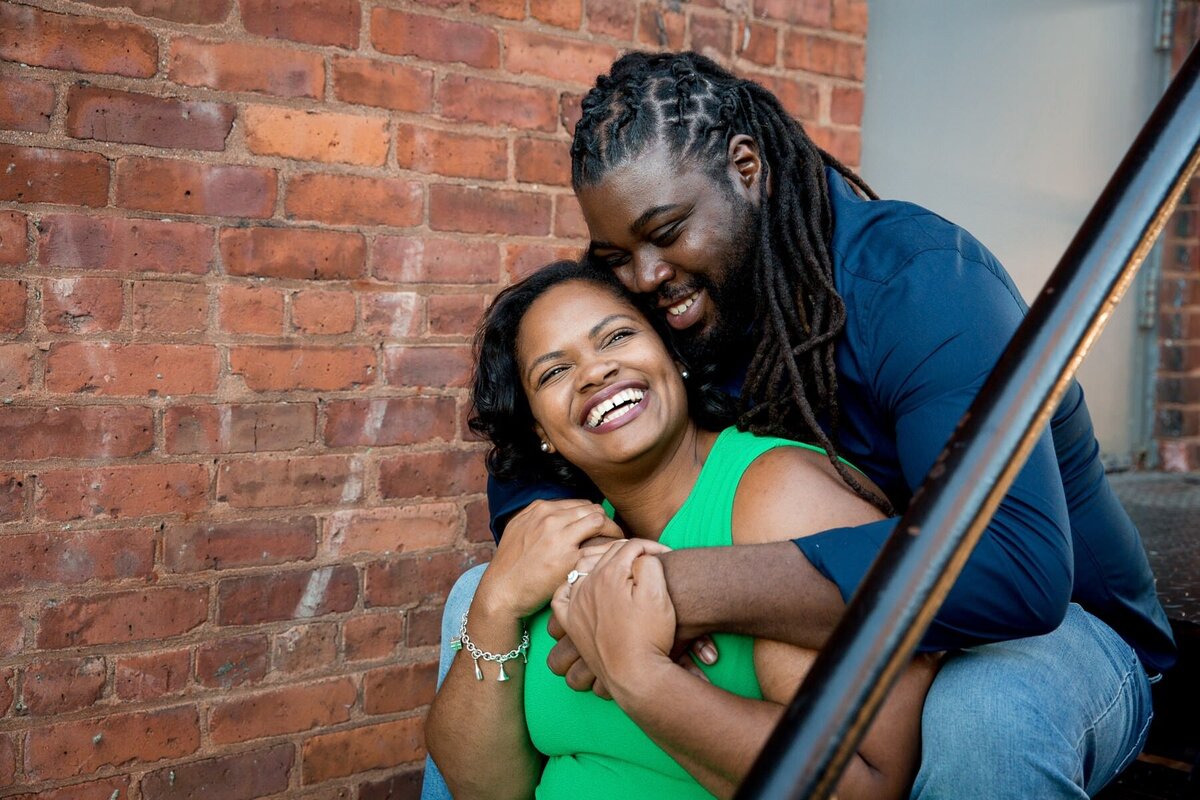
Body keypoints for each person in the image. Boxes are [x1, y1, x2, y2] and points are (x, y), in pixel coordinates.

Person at [425, 51, 1175, 799]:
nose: (645, 278)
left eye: (668, 229)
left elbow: (1013, 567)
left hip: (1050, 633)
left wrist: (669, 587)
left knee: (984, 716)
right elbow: (537, 449)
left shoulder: (922, 285)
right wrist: (590, 574)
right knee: (484, 600)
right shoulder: (677, 298)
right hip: (840, 609)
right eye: (616, 255)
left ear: (746, 167)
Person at [424, 260, 937, 799]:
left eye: (617, 336)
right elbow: (482, 790)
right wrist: (496, 604)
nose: (595, 372)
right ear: (539, 429)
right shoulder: (561, 544)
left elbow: (855, 788)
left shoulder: (774, 495)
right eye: (554, 372)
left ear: (674, 355)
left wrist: (639, 676)